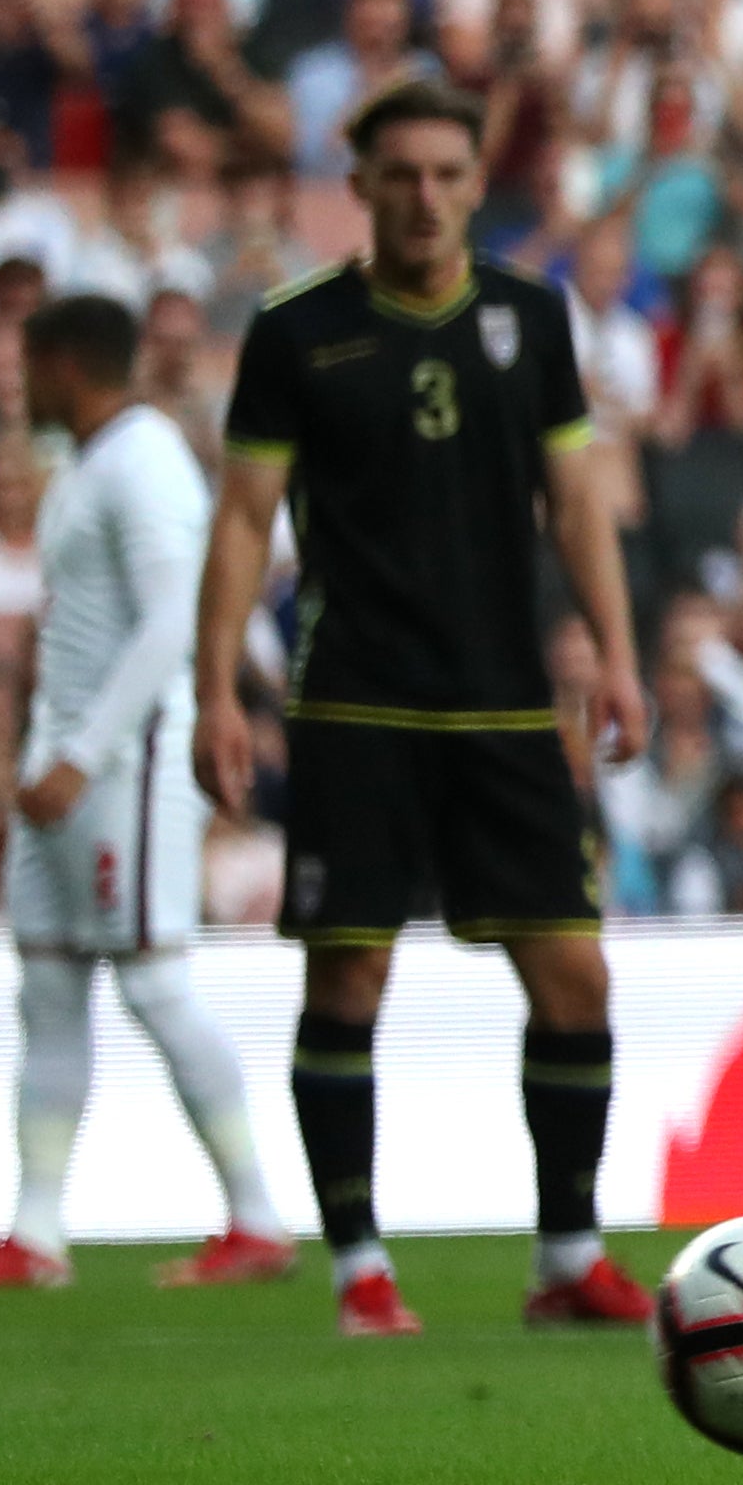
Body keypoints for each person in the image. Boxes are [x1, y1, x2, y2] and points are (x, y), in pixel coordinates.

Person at [194, 81, 654, 1338]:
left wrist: (617, 652)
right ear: (361, 185)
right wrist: (215, 691)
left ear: (475, 182)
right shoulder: (297, 331)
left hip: (506, 704)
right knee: (349, 979)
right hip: (356, 702)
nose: (427, 197)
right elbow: (242, 519)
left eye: (450, 174)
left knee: (576, 979)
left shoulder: (528, 316)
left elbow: (576, 499)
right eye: (401, 174)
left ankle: (568, 1255)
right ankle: (359, 1268)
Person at [0, 296, 292, 1293]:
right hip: (66, 765)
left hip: (127, 766)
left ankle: (257, 1216)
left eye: (29, 364)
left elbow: (171, 619)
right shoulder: (92, 462)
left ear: (64, 363)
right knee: (47, 985)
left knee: (152, 980)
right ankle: (36, 1231)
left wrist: (83, 753)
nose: (21, 386)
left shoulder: (143, 459)